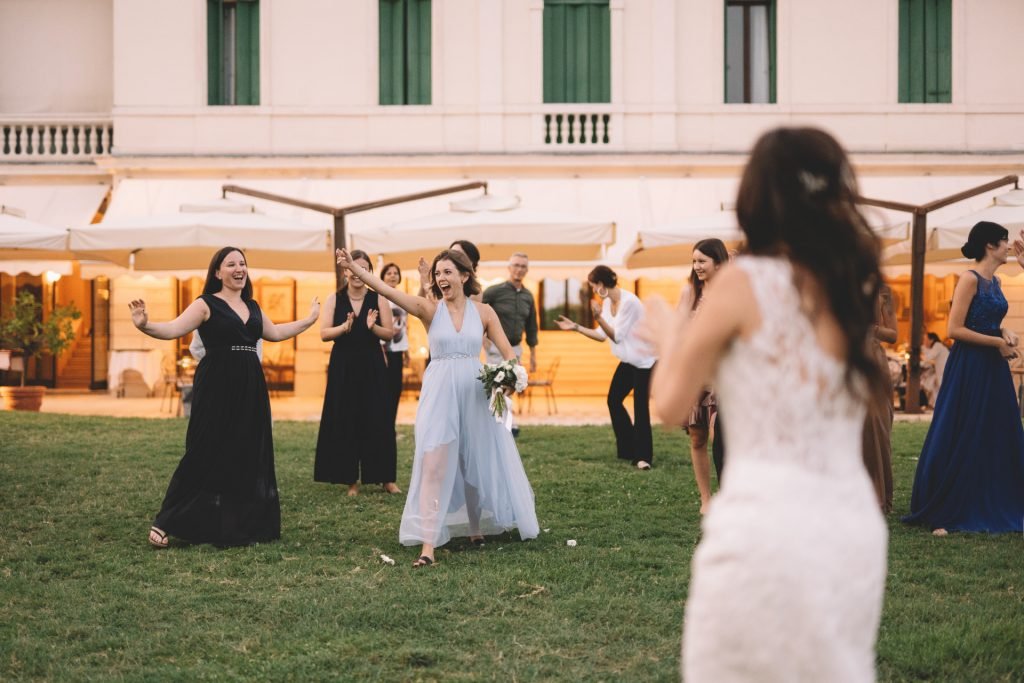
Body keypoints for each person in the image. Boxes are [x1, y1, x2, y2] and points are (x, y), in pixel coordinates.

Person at [641, 127, 888, 681]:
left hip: (768, 524)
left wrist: (669, 336)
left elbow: (672, 406)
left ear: (757, 196)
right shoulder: (850, 283)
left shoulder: (743, 281)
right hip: (852, 524)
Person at [337, 247, 539, 568]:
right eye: (437, 273)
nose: (441, 278)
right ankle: (428, 546)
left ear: (464, 276)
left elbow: (509, 354)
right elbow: (386, 289)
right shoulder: (429, 309)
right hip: (440, 394)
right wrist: (355, 269)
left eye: (447, 272)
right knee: (433, 464)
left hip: (475, 392)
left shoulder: (484, 312)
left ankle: (475, 528)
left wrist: (508, 378)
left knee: (471, 461)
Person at [131, 247, 320, 548]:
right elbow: (173, 329)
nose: (239, 269)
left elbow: (275, 332)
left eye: (242, 263)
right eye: (231, 264)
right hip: (216, 384)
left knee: (246, 450)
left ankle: (238, 523)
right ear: (217, 272)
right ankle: (166, 521)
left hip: (250, 386)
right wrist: (145, 325)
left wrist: (309, 320)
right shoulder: (205, 304)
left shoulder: (253, 306)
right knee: (204, 449)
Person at [903, 221, 1024, 535]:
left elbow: (988, 320)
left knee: (995, 430)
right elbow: (953, 329)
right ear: (989, 245)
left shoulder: (996, 281)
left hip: (993, 366)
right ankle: (949, 504)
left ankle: (992, 494)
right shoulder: (969, 279)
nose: (1009, 246)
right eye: (1004, 241)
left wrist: (1004, 330)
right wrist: (996, 342)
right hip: (970, 365)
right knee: (963, 427)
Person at [314, 250, 399, 496]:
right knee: (346, 418)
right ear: (345, 271)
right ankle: (350, 479)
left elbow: (389, 334)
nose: (357, 273)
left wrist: (373, 328)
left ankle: (385, 478)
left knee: (379, 418)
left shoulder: (379, 298)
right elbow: (324, 334)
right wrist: (344, 327)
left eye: (363, 268)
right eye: (353, 267)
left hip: (372, 364)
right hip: (344, 364)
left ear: (369, 272)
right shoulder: (334, 298)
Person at [556, 266, 657, 470]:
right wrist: (576, 327)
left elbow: (616, 336)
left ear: (601, 284)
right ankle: (628, 449)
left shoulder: (629, 302)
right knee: (613, 400)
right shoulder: (608, 302)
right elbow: (602, 335)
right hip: (629, 361)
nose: (593, 290)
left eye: (593, 286)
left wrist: (599, 318)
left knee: (640, 407)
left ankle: (643, 457)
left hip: (645, 362)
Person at [679, 238, 729, 511]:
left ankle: (730, 493)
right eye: (694, 261)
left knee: (720, 437)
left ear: (718, 263)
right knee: (697, 437)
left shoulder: (730, 294)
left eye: (702, 261)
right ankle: (706, 499)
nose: (697, 266)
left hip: (724, 377)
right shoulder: (689, 294)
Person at [482, 252, 539, 437]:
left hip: (515, 348)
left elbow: (532, 327)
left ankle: (504, 423)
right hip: (495, 348)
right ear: (509, 268)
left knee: (511, 384)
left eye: (523, 266)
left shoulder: (528, 297)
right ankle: (503, 425)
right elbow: (477, 312)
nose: (519, 269)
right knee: (497, 385)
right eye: (516, 265)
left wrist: (533, 355)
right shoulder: (493, 292)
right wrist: (483, 338)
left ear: (527, 270)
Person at [861, 284, 897, 513]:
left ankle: (876, 495)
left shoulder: (883, 291)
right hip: (840, 357)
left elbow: (893, 335)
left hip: (872, 361)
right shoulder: (834, 279)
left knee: (876, 425)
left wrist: (869, 328)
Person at [380, 262, 409, 428]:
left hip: (398, 351)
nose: (392, 275)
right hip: (384, 351)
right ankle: (383, 426)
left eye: (395, 273)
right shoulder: (380, 298)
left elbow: (404, 326)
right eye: (389, 273)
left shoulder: (401, 298)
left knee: (396, 390)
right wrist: (381, 350)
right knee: (384, 390)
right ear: (383, 277)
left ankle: (390, 426)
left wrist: (407, 352)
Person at [920, 331, 949, 407]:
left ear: (931, 340)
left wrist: (920, 354)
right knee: (934, 386)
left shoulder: (937, 345)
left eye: (925, 339)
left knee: (940, 387)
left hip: (943, 370)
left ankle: (941, 405)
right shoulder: (937, 346)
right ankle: (936, 405)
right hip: (940, 370)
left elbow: (929, 357)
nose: (924, 341)